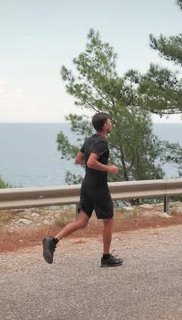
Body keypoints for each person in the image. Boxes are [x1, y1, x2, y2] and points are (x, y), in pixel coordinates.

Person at [43, 112, 123, 267]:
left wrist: (96, 163)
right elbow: (91, 162)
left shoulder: (90, 140)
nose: (111, 124)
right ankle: (106, 257)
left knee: (82, 222)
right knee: (108, 220)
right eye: (110, 122)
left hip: (86, 186)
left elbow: (79, 159)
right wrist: (109, 168)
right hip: (98, 188)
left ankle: (52, 242)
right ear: (105, 125)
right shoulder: (101, 142)